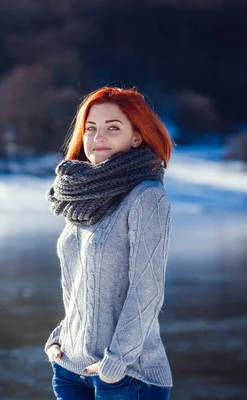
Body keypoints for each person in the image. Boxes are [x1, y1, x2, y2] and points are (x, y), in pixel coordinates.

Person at [45, 86, 174, 400]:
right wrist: (60, 337)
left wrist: (115, 364)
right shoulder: (83, 197)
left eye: (112, 128)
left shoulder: (146, 197)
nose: (97, 136)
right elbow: (79, 282)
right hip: (70, 370)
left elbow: (148, 290)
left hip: (127, 378)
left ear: (136, 137)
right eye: (91, 128)